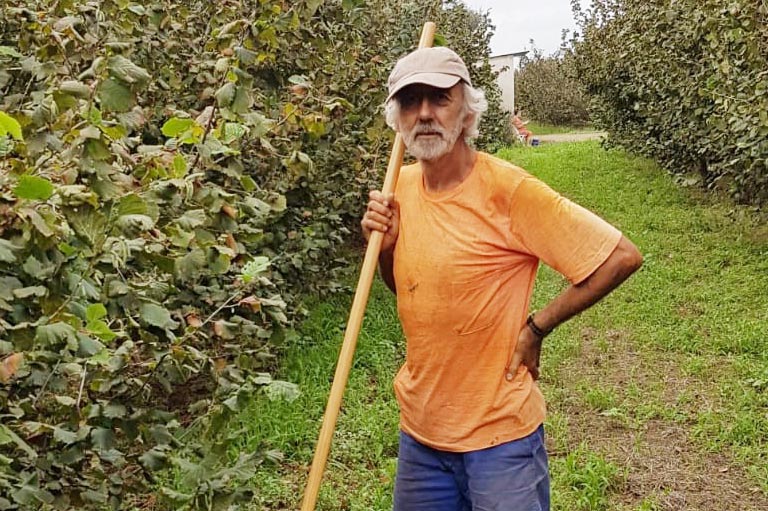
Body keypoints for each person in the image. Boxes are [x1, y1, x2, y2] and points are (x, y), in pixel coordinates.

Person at [360, 46, 643, 511]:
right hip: (421, 436)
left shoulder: (508, 191)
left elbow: (620, 256)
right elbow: (408, 291)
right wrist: (387, 248)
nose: (426, 113)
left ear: (467, 112)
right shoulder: (400, 190)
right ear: (397, 119)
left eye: (440, 98)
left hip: (500, 439)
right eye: (411, 101)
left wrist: (536, 327)